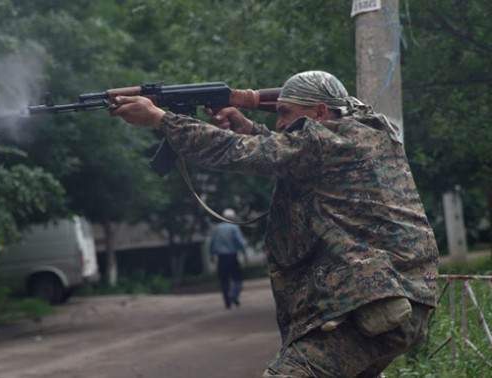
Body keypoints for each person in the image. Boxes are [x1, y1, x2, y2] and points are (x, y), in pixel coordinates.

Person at [110, 70, 438, 378]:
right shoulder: (359, 134)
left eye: (284, 113)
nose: (279, 124)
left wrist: (161, 119)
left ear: (321, 113)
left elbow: (240, 153)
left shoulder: (328, 142)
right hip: (388, 302)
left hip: (370, 309)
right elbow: (294, 154)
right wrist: (252, 129)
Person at [209, 208, 249, 309]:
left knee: (224, 280)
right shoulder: (234, 228)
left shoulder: (217, 228)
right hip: (232, 256)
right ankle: (234, 294)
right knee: (238, 278)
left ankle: (227, 303)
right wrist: (244, 253)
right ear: (232, 217)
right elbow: (240, 242)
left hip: (221, 258)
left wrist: (212, 255)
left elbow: (212, 243)